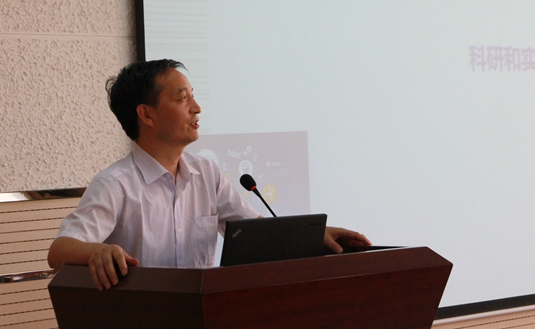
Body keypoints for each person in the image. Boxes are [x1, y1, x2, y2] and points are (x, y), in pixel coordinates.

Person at [48, 59, 370, 290]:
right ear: (146, 114)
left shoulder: (205, 172)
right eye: (182, 98)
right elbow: (59, 251)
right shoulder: (116, 184)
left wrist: (315, 234)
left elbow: (254, 233)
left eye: (193, 95)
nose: (196, 107)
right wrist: (97, 251)